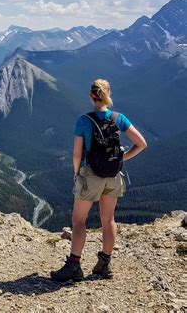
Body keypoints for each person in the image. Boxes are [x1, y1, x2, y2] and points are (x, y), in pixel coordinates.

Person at [50, 78, 147, 281]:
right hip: (113, 175)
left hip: (91, 174)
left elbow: (77, 154)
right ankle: (104, 264)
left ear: (91, 95)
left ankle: (74, 266)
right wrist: (122, 157)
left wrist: (77, 173)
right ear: (108, 94)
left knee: (78, 221)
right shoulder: (119, 118)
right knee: (108, 219)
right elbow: (141, 143)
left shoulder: (84, 121)